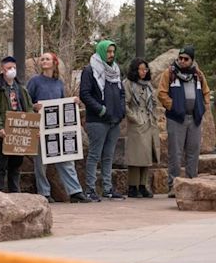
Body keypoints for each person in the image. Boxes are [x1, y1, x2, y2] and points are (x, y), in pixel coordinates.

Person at [27, 52, 91, 203]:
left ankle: (75, 191)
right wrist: (34, 107)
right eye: (42, 59)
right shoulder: (35, 81)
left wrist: (73, 102)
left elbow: (64, 103)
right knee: (41, 161)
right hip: (41, 126)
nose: (44, 61)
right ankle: (44, 193)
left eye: (47, 59)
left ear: (54, 62)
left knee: (65, 159)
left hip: (58, 128)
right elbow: (26, 101)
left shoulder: (59, 83)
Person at [157, 46, 210, 198]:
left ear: (192, 60)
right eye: (180, 58)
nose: (182, 61)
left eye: (186, 59)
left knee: (193, 152)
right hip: (176, 119)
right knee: (175, 152)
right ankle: (174, 186)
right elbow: (161, 93)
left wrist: (203, 107)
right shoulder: (170, 73)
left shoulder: (197, 74)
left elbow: (206, 91)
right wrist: (173, 106)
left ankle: (192, 183)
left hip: (195, 118)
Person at [80, 40, 125, 201]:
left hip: (114, 120)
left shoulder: (115, 70)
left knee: (108, 156)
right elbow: (85, 94)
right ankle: (90, 189)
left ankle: (107, 188)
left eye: (113, 51)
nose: (111, 55)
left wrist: (121, 111)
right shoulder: (90, 70)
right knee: (94, 155)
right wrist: (101, 109)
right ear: (101, 52)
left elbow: (121, 93)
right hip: (97, 120)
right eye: (108, 52)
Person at [0, 56, 33, 193]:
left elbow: (28, 107)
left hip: (18, 133)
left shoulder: (21, 88)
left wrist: (31, 126)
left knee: (16, 164)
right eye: (8, 68)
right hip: (0, 134)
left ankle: (15, 192)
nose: (12, 70)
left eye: (14, 68)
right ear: (2, 70)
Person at [124, 58, 159, 198]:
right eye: (141, 69)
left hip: (149, 121)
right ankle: (133, 186)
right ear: (135, 70)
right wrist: (135, 118)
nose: (143, 72)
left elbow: (154, 102)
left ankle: (143, 185)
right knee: (136, 156)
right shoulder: (128, 84)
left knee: (147, 155)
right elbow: (125, 104)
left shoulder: (148, 85)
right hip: (137, 122)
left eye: (145, 69)